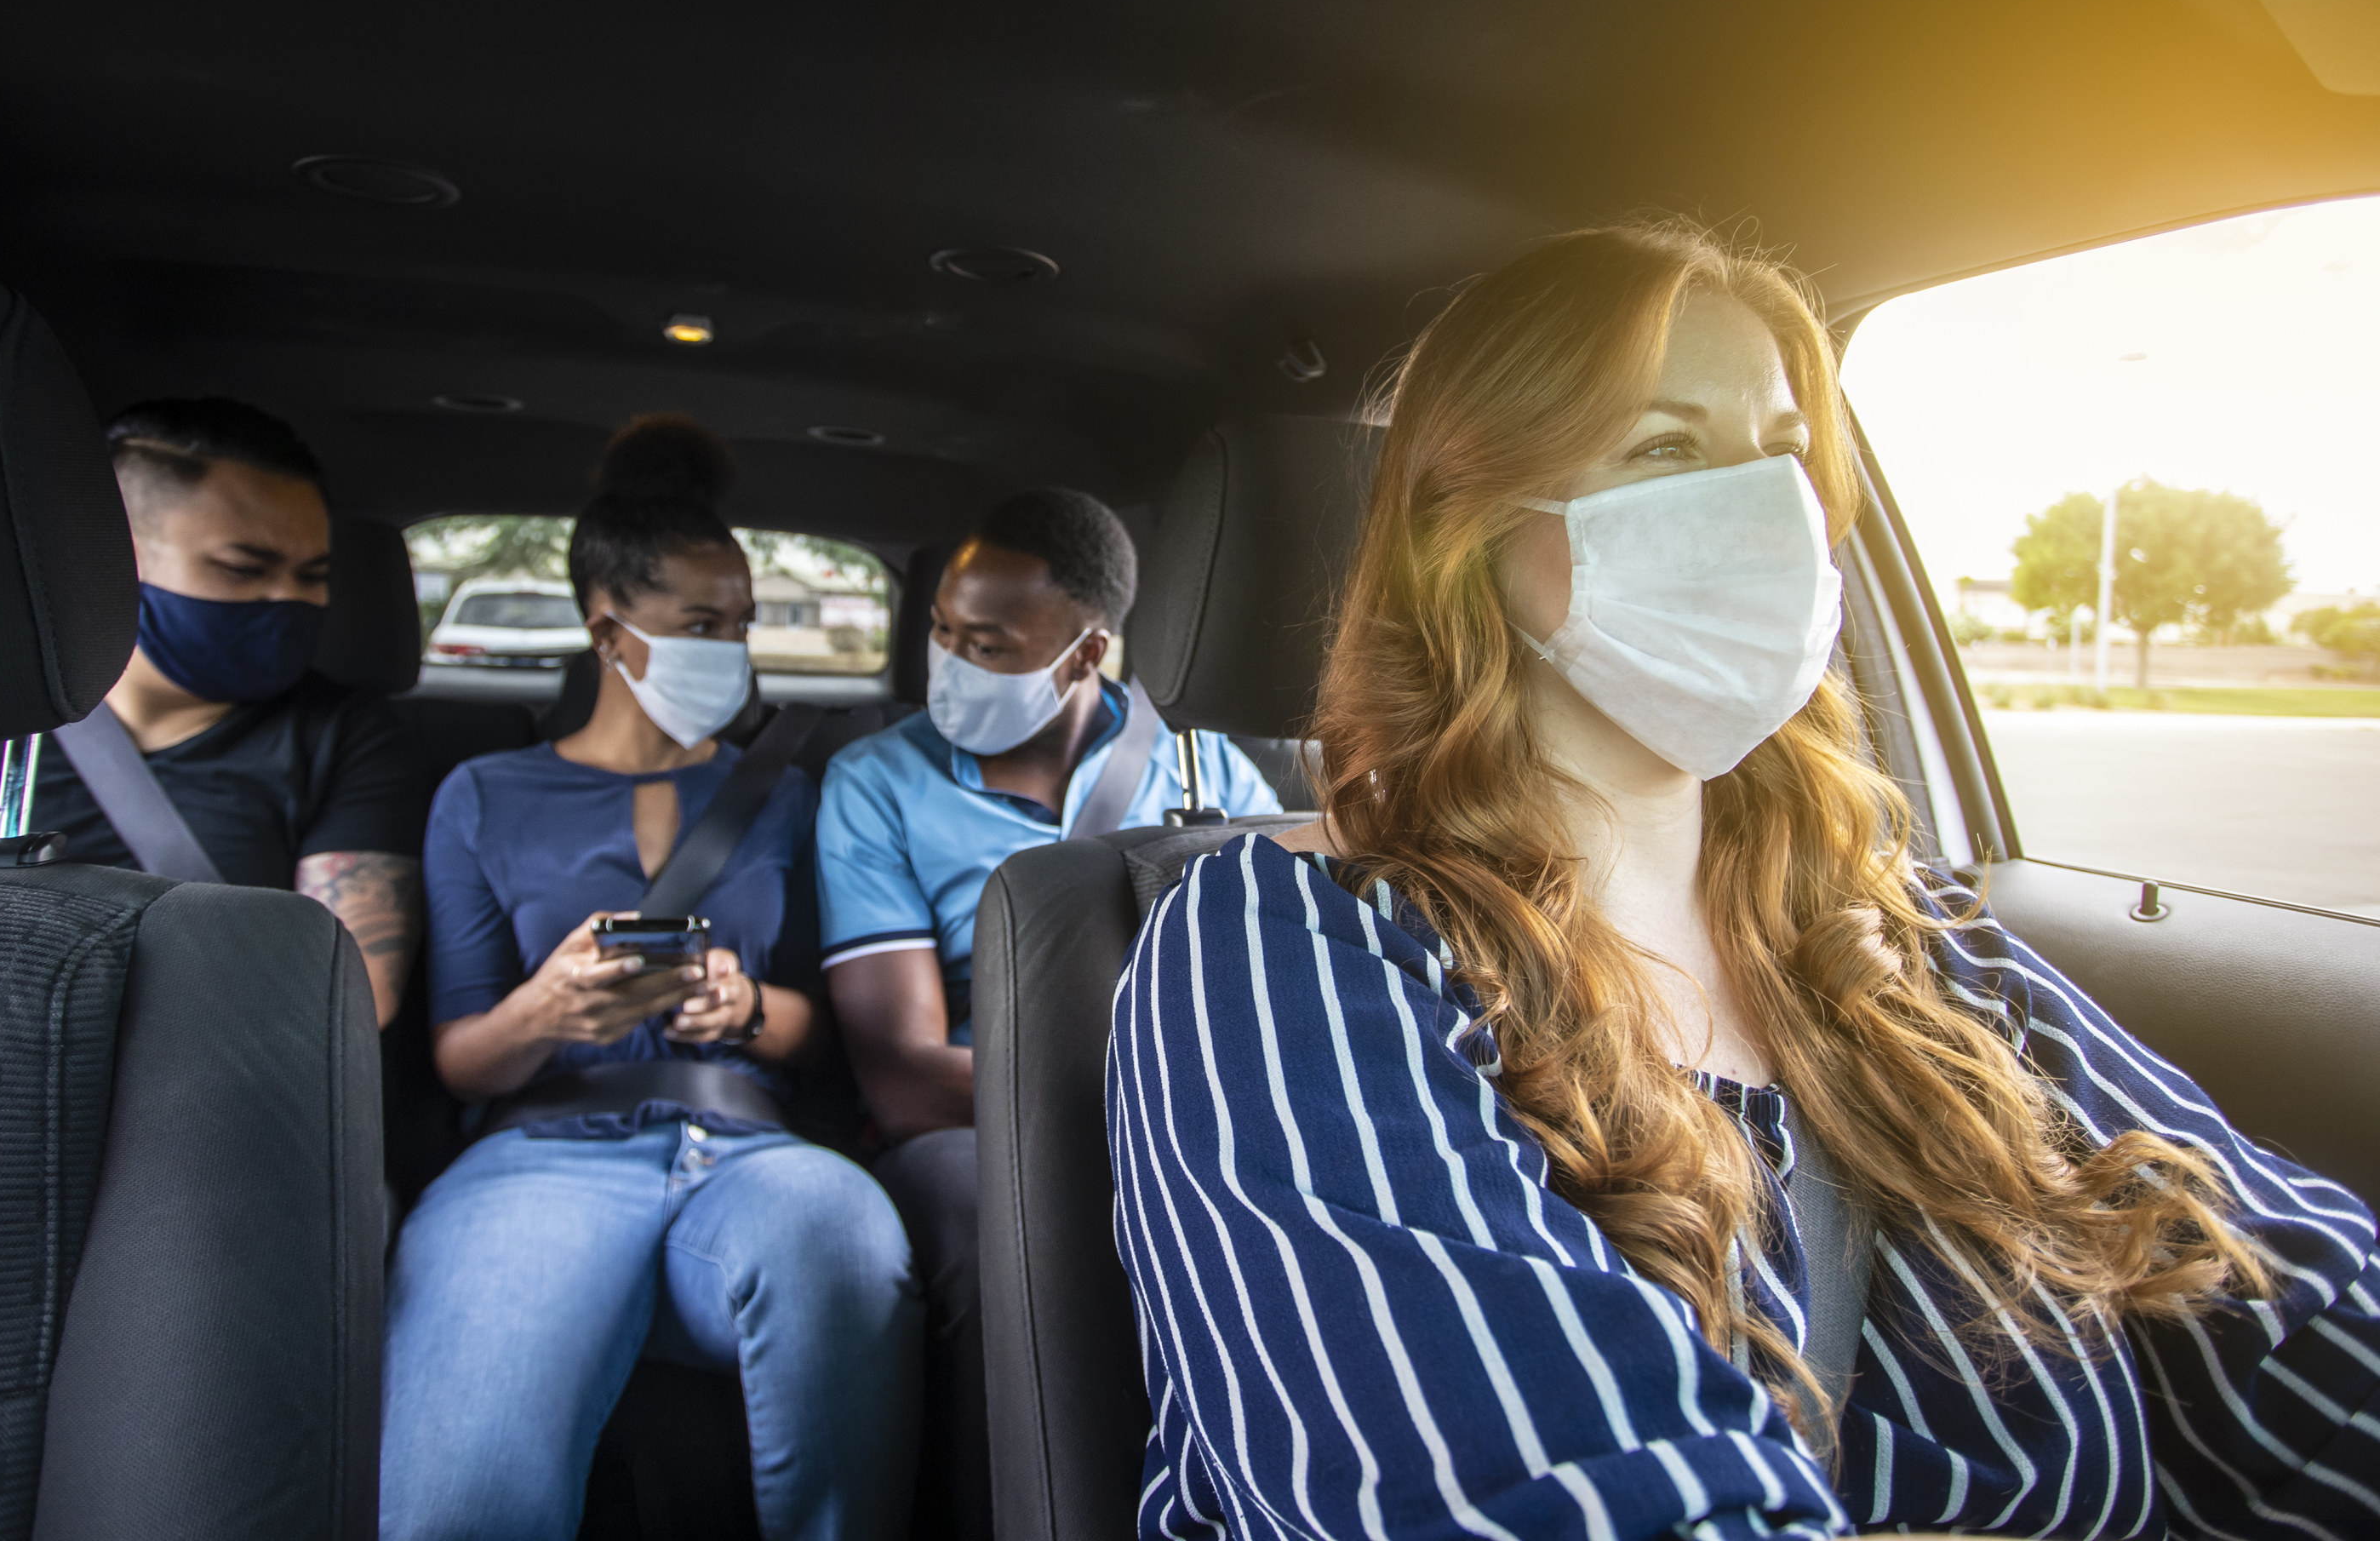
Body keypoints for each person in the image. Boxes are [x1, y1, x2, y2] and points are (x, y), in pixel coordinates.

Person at [1109, 224, 2378, 1538]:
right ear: (1466, 532)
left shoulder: (1916, 943)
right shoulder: (1278, 953)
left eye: (1783, 452)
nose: (1771, 511)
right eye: (1664, 446)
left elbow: (2288, 1310)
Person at [380, 415, 918, 1541]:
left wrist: (747, 1006)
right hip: (538, 1157)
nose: (732, 650)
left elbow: (821, 1032)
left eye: (744, 624)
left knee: (847, 1233)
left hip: (751, 1149)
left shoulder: (783, 792)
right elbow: (459, 1049)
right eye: (701, 625)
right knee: (461, 1499)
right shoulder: (482, 794)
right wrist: (548, 1007)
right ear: (609, 631)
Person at [817, 487, 1282, 1539]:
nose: (945, 658)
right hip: (970, 1128)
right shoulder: (876, 783)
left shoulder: (1213, 772)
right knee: (1012, 1225)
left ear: (1084, 655)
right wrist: (1128, 1125)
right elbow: (899, 1078)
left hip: (1200, 1113)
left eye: (984, 642)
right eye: (940, 627)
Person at [0, 396, 425, 1025]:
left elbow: (354, 1000)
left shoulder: (346, 736)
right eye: (243, 568)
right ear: (111, 561)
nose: (288, 600)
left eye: (314, 574)